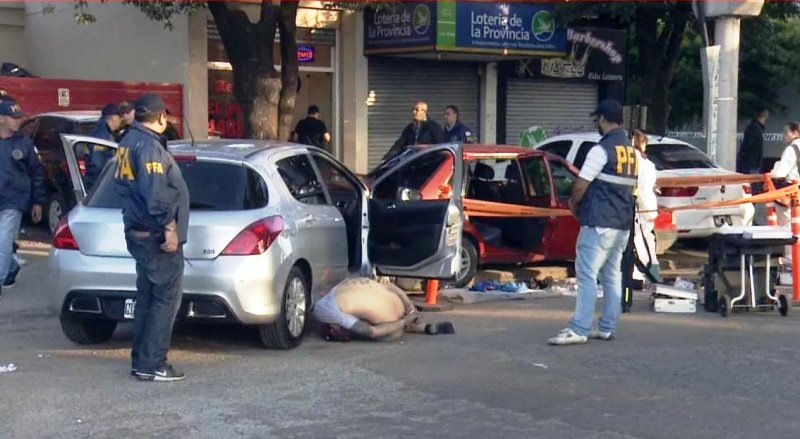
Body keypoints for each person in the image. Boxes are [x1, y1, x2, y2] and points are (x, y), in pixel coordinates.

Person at [548, 99, 636, 346]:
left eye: (597, 118)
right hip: (621, 224)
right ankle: (607, 326)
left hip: (599, 222)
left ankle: (579, 328)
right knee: (612, 276)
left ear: (603, 118)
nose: (597, 122)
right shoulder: (630, 151)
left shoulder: (601, 150)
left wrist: (574, 204)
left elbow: (581, 184)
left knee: (587, 275)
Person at [114, 94, 190, 382]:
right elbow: (155, 195)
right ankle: (153, 363)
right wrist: (170, 227)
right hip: (155, 234)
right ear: (161, 117)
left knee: (147, 298)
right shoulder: (148, 147)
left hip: (138, 230)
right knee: (165, 300)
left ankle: (142, 361)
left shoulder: (128, 141)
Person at [313, 276, 455, 342]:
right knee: (364, 315)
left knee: (387, 334)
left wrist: (404, 322)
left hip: (390, 317)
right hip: (399, 301)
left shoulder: (325, 310)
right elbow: (392, 287)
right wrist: (410, 307)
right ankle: (423, 327)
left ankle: (406, 325)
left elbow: (372, 332)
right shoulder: (345, 283)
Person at [0, 100, 46, 299]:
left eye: (19, 117)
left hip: (14, 200)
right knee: (3, 243)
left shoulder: (25, 143)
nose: (19, 121)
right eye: (14, 117)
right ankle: (10, 267)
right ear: (1, 119)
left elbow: (37, 173)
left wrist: (37, 202)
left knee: (2, 242)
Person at [769, 122, 800, 270]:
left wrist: (772, 171)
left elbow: (779, 173)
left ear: (794, 133)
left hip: (790, 192)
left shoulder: (791, 149)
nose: (784, 136)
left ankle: (791, 259)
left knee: (789, 225)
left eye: (786, 132)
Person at [631, 130, 660, 284]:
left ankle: (644, 273)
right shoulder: (646, 163)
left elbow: (640, 188)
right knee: (645, 240)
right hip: (644, 206)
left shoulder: (635, 161)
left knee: (638, 241)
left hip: (639, 206)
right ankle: (650, 273)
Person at [85, 103, 124, 188]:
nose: (121, 121)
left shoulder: (107, 132)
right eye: (119, 117)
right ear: (113, 117)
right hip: (97, 183)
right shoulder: (101, 136)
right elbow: (97, 164)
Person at [737, 106, 769, 174]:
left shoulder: (755, 127)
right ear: (765, 115)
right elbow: (747, 144)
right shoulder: (755, 128)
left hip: (751, 163)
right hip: (751, 164)